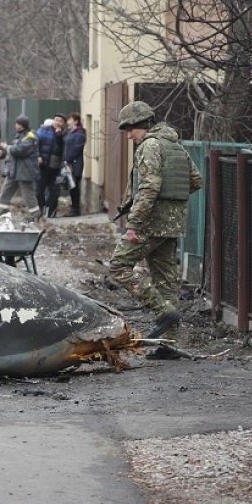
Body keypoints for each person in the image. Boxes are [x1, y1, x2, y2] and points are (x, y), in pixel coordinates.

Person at [108, 100, 202, 339]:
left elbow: (149, 186)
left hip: (150, 222)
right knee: (165, 281)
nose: (129, 136)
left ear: (144, 124)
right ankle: (169, 342)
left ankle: (163, 311)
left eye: (131, 129)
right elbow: (195, 180)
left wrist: (134, 222)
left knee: (118, 266)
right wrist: (170, 202)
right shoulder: (174, 146)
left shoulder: (149, 146)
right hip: (172, 223)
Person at [0, 116, 41, 220]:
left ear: (21, 125)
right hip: (15, 170)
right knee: (6, 189)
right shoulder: (20, 135)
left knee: (28, 194)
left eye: (17, 124)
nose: (15, 125)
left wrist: (7, 147)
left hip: (25, 170)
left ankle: (35, 214)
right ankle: (2, 210)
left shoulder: (30, 136)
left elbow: (19, 150)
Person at [34, 118, 62, 217]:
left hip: (56, 167)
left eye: (60, 121)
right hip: (43, 166)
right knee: (39, 190)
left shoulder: (63, 134)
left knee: (54, 191)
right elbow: (35, 145)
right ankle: (41, 209)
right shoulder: (42, 132)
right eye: (56, 120)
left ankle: (50, 211)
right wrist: (38, 156)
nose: (57, 123)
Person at [63, 112, 87, 216]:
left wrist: (68, 159)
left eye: (70, 120)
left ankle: (75, 209)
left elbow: (77, 148)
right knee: (71, 186)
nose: (68, 122)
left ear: (76, 121)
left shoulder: (80, 132)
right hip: (68, 162)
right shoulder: (69, 131)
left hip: (75, 163)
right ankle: (73, 208)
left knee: (75, 186)